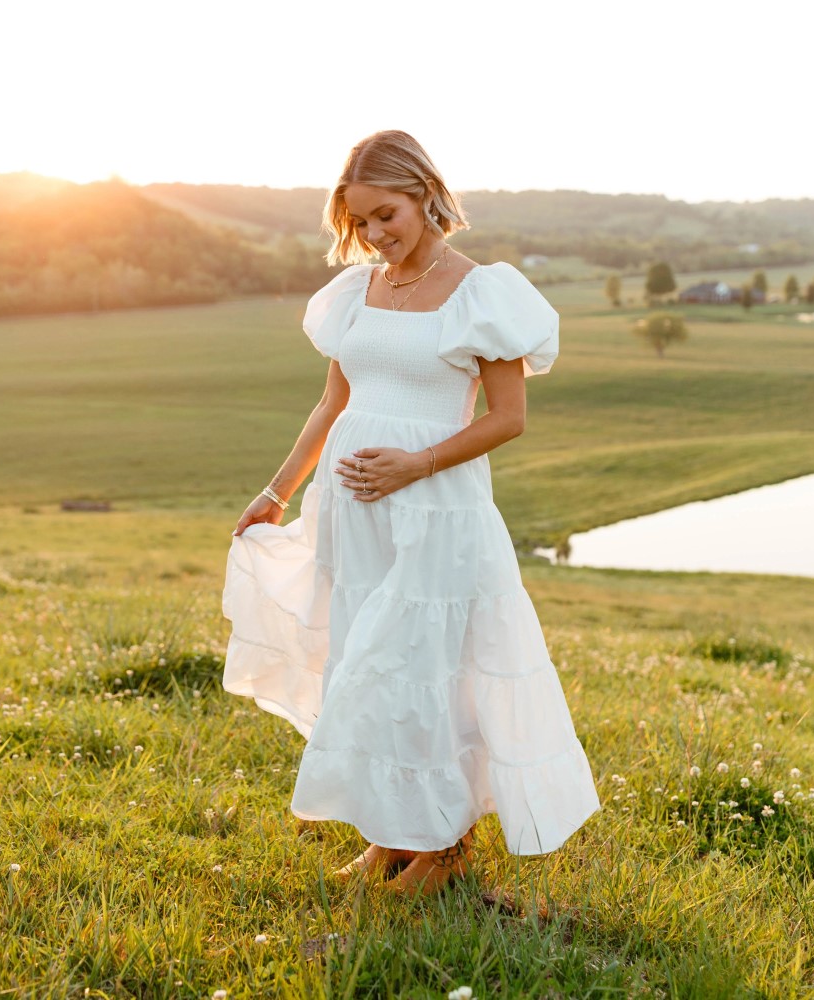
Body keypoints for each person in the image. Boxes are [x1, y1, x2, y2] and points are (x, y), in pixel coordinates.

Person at [223, 130, 599, 896]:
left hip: (436, 508)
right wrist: (276, 492)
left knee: (431, 670)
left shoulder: (481, 293)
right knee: (371, 669)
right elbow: (333, 403)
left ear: (426, 195)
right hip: (354, 513)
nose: (375, 234)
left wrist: (413, 465)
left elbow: (508, 418)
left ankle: (447, 848)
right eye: (360, 221)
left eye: (386, 214)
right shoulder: (353, 294)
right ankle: (394, 836)